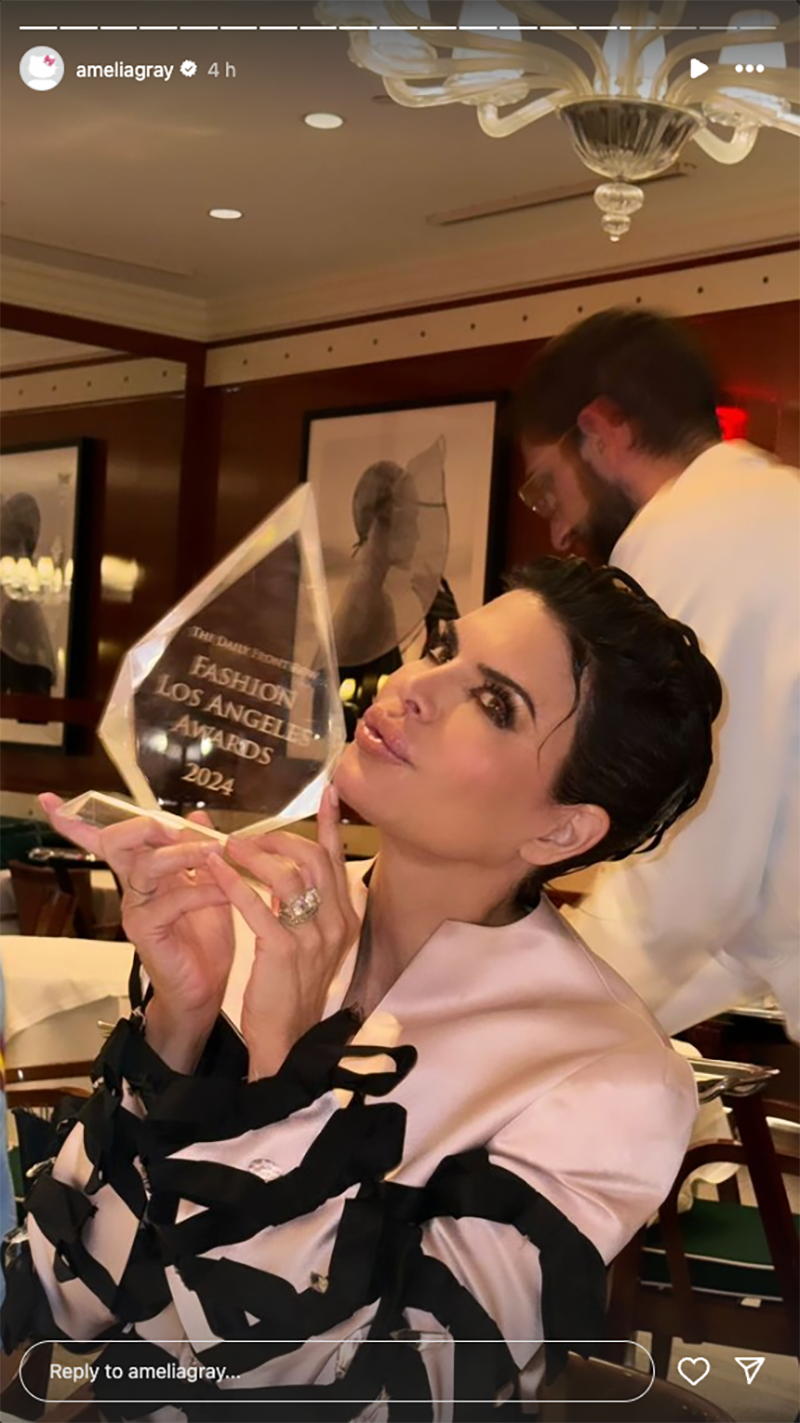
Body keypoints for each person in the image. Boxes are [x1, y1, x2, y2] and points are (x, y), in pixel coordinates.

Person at [2, 559, 721, 1421]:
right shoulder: (250, 917)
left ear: (560, 826)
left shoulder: (607, 1075)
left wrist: (283, 1072)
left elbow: (371, 1395)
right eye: (443, 648)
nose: (409, 685)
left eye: (494, 704)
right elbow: (55, 1298)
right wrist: (179, 1022)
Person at [515, 306, 800, 1042]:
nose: (558, 528)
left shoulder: (692, 545)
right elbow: (748, 894)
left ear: (603, 432)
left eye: (549, 485)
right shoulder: (768, 508)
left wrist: (518, 1030)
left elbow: (691, 876)